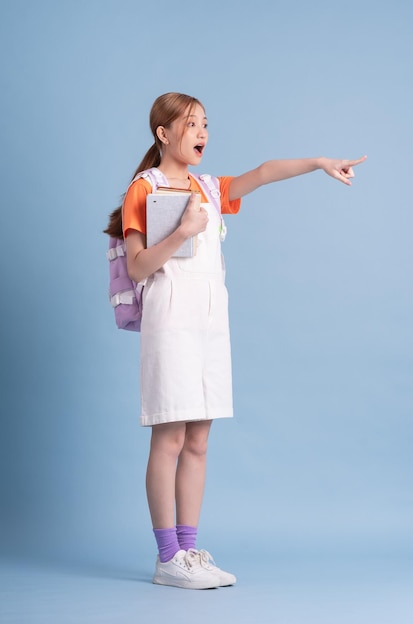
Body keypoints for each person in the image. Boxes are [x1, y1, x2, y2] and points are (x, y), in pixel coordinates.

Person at [104, 92, 366, 590]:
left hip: (209, 322)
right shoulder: (146, 188)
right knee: (171, 437)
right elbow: (138, 266)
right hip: (170, 319)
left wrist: (319, 163)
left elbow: (264, 172)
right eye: (191, 124)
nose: (202, 132)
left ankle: (189, 550)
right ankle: (167, 558)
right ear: (163, 134)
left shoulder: (207, 186)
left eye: (206, 124)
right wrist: (182, 232)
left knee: (199, 441)